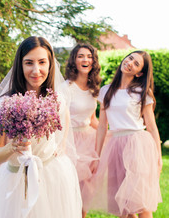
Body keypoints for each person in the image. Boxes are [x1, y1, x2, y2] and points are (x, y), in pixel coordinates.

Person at [0, 36, 82, 218]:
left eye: (42, 62)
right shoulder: (3, 105)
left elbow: (65, 122)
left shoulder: (57, 101)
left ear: (50, 65)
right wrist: (12, 147)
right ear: (20, 65)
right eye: (29, 63)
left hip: (51, 177)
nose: (36, 70)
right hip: (15, 181)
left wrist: (60, 146)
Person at [87, 51, 162, 218]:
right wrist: (96, 156)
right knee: (121, 206)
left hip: (137, 145)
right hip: (115, 145)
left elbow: (151, 127)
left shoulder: (142, 92)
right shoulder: (106, 91)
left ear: (139, 73)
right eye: (130, 58)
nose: (130, 63)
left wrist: (159, 156)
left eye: (136, 64)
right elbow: (102, 127)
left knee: (141, 203)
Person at [62, 43, 102, 218]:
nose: (85, 59)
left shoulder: (94, 88)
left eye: (89, 56)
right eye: (80, 56)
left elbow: (93, 119)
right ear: (74, 61)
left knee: (86, 189)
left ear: (93, 61)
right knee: (69, 188)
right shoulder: (66, 87)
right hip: (69, 140)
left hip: (88, 140)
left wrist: (109, 134)